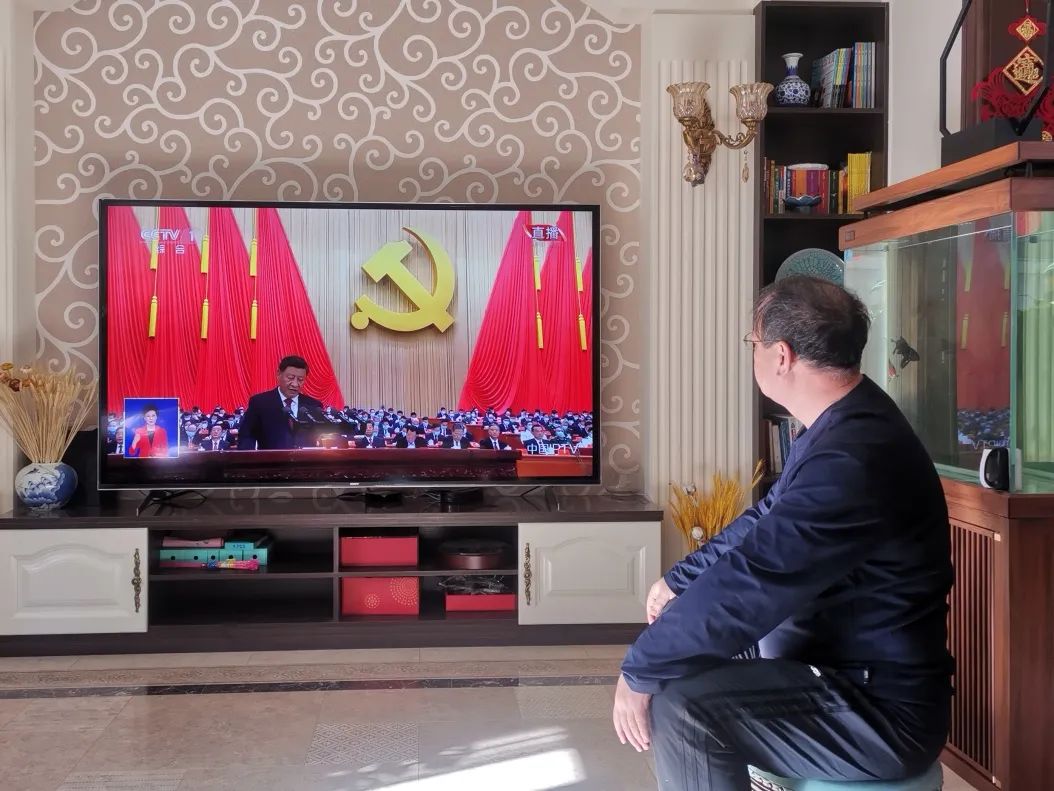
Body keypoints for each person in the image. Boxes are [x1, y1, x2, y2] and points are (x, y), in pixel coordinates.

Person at [613, 277, 953, 790]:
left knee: (685, 712)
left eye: (752, 342)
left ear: (780, 356)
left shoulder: (854, 457)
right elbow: (764, 521)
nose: (751, 353)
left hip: (876, 709)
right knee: (684, 667)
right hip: (835, 664)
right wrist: (680, 580)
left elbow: (757, 579)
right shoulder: (844, 422)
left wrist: (640, 667)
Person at [238, 355, 324, 450]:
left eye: (300, 380)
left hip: (305, 459)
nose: (295, 384)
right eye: (290, 378)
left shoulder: (314, 406)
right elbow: (246, 437)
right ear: (279, 374)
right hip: (271, 459)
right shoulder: (260, 403)